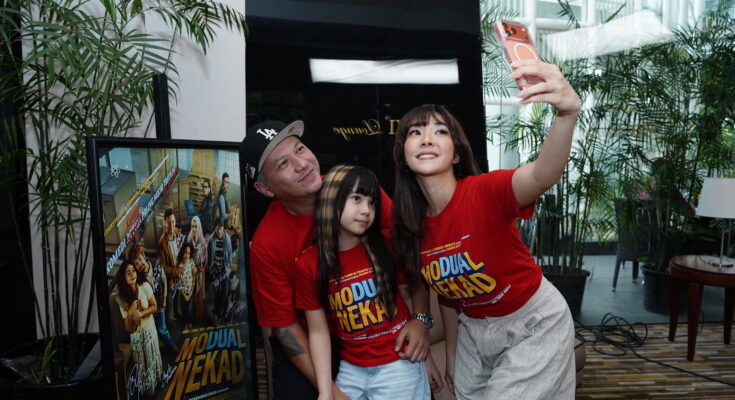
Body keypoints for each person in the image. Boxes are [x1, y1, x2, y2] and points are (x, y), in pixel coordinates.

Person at [391, 61, 581, 399]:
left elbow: (542, 174)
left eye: (440, 131)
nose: (426, 138)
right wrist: (452, 355)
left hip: (533, 322)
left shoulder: (485, 192)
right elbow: (450, 296)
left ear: (456, 155)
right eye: (414, 132)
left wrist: (566, 115)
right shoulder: (410, 224)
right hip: (475, 331)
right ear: (404, 155)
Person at [242, 120, 431, 400]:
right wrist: (331, 393)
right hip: (315, 339)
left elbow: (409, 255)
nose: (302, 164)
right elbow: (284, 327)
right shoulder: (267, 244)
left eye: (300, 149)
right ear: (265, 189)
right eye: (283, 164)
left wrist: (421, 319)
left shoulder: (358, 192)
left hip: (377, 328)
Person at [296, 165, 430, 400]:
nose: (367, 210)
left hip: (398, 364)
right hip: (351, 370)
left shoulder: (388, 245)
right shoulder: (308, 264)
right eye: (357, 198)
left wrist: (421, 326)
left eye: (372, 202)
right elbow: (318, 332)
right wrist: (325, 392)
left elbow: (415, 285)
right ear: (330, 200)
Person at [115, 260, 163, 396]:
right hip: (136, 337)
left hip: (149, 331)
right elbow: (129, 330)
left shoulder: (145, 287)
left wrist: (141, 313)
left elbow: (154, 306)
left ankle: (157, 385)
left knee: (153, 358)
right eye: (128, 273)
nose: (132, 274)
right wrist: (130, 312)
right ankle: (148, 392)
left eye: (133, 271)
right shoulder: (122, 299)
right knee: (142, 365)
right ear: (124, 278)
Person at [130, 244, 176, 352]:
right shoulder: (139, 278)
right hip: (149, 309)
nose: (139, 264)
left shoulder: (156, 264)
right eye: (136, 263)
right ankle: (156, 349)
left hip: (159, 305)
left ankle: (171, 346)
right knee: (152, 331)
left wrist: (164, 302)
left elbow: (164, 282)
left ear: (143, 255)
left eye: (139, 259)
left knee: (162, 328)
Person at [207, 217, 232, 321]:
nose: (219, 231)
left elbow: (229, 257)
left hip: (224, 270)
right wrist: (211, 269)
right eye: (217, 228)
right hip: (215, 270)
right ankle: (218, 314)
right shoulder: (211, 240)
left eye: (221, 229)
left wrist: (227, 270)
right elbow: (209, 256)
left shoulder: (227, 240)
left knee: (225, 292)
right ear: (215, 228)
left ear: (223, 228)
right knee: (216, 293)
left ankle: (216, 312)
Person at [187, 216, 209, 325]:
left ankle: (199, 318)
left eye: (196, 226)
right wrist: (191, 266)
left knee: (199, 295)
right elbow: (187, 256)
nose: (194, 229)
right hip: (191, 272)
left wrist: (199, 268)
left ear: (199, 227)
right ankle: (190, 318)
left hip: (199, 272)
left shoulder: (203, 242)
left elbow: (205, 259)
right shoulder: (189, 239)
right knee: (190, 295)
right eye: (192, 226)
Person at [177, 242, 197, 330]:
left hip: (190, 291)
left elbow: (194, 278)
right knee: (184, 308)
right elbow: (179, 282)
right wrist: (184, 295)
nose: (186, 255)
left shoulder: (191, 263)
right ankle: (185, 322)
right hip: (183, 293)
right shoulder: (180, 266)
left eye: (188, 253)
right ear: (182, 252)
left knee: (190, 308)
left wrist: (191, 291)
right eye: (185, 252)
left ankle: (190, 322)